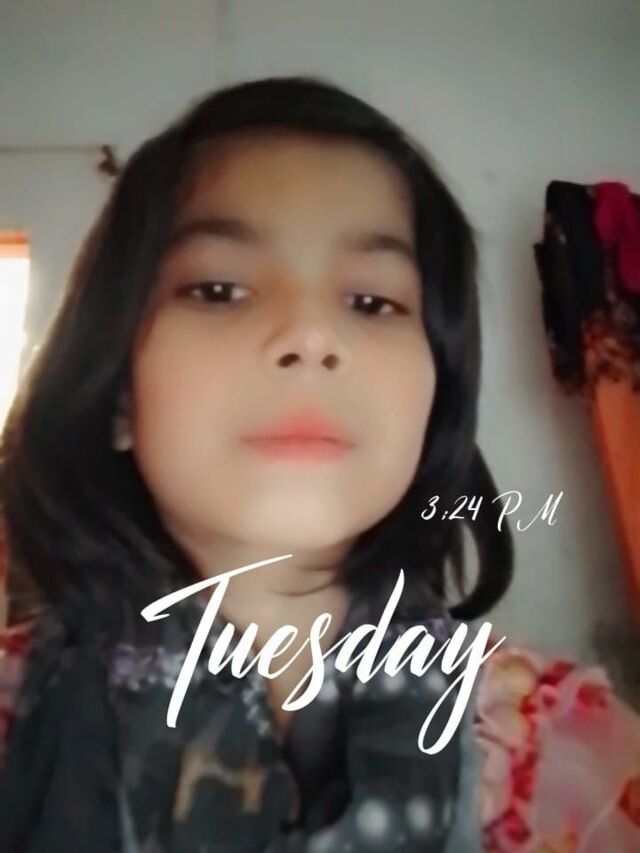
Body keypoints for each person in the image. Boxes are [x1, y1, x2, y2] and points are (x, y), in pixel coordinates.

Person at [0, 75, 513, 852]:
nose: (309, 335)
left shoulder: (569, 747)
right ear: (119, 396)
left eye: (372, 302)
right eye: (218, 289)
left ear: (434, 394)